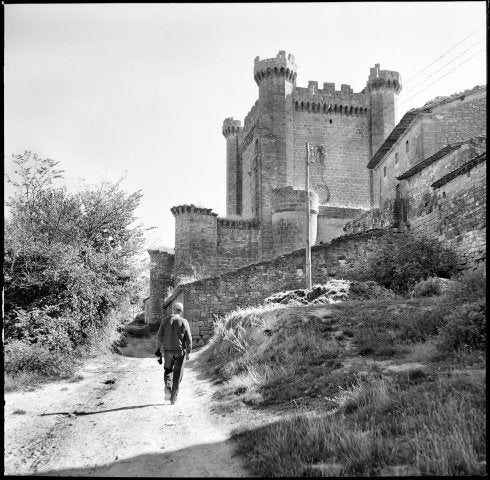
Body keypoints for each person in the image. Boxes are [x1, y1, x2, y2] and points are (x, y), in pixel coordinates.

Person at [155, 302, 192, 405]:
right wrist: (188, 352)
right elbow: (189, 339)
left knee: (168, 370)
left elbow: (159, 337)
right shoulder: (184, 321)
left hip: (167, 351)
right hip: (180, 351)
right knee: (178, 374)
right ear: (181, 311)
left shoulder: (165, 321)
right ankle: (173, 398)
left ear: (173, 309)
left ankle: (167, 388)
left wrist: (158, 350)